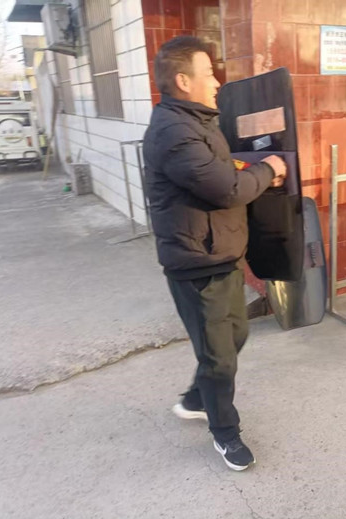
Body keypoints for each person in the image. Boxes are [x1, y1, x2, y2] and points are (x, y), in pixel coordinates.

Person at [142, 36, 287, 472]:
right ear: (183, 81)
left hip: (221, 255)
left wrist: (253, 169)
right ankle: (225, 433)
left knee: (235, 336)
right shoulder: (173, 133)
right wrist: (269, 169)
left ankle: (193, 398)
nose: (217, 81)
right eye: (208, 73)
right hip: (196, 264)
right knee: (220, 357)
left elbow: (225, 172)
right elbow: (226, 189)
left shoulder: (199, 122)